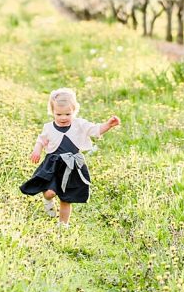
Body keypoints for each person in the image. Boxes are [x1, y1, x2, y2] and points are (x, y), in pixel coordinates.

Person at [20, 87, 120, 227]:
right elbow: (41, 140)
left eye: (68, 114)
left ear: (74, 111)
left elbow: (95, 129)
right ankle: (48, 201)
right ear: (52, 112)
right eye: (59, 114)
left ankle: (63, 225)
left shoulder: (79, 124)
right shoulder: (49, 127)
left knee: (66, 198)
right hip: (53, 165)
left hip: (72, 165)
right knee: (49, 193)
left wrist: (108, 125)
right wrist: (37, 150)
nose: (63, 118)